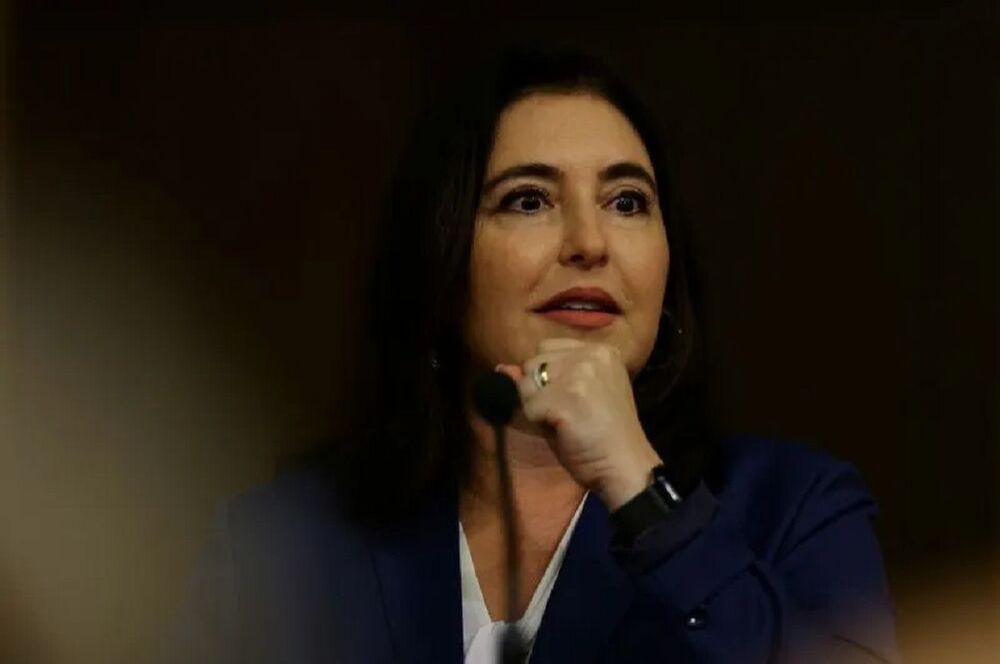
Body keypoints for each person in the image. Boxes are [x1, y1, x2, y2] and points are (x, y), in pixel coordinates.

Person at [161, 47, 899, 663]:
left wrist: (640, 490)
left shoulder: (793, 510)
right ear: (443, 261)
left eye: (627, 201)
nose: (589, 242)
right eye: (528, 200)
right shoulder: (283, 543)